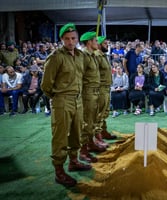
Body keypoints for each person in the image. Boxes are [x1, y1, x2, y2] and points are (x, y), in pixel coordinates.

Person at [41, 23, 91, 187]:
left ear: (77, 39)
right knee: (60, 136)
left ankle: (73, 161)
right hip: (62, 100)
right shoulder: (56, 57)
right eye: (67, 39)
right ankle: (59, 171)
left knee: (77, 133)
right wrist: (57, 98)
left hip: (78, 100)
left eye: (73, 38)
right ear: (62, 39)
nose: (71, 41)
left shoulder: (80, 56)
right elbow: (46, 84)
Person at [78, 31, 108, 164]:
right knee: (86, 123)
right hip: (87, 93)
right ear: (89, 42)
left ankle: (90, 144)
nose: (98, 43)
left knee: (92, 121)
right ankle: (83, 151)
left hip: (95, 92)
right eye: (95, 41)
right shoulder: (84, 55)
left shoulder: (92, 55)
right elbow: (79, 75)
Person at [95, 36, 117, 140]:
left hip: (107, 87)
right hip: (100, 88)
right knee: (100, 113)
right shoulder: (97, 56)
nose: (107, 45)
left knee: (105, 112)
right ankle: (98, 136)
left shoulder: (103, 55)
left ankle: (103, 131)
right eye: (105, 44)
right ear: (98, 45)